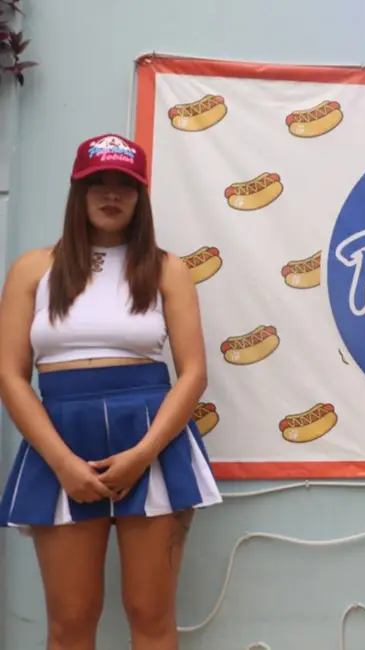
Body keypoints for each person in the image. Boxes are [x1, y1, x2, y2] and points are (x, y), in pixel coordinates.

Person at [0, 133, 222, 650]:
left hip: (151, 441)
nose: (111, 194)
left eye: (124, 184)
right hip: (59, 442)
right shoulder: (33, 268)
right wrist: (62, 463)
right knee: (71, 621)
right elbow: (11, 376)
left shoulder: (169, 269)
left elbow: (193, 374)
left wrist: (143, 455)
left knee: (151, 617)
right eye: (97, 182)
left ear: (140, 195)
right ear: (77, 191)